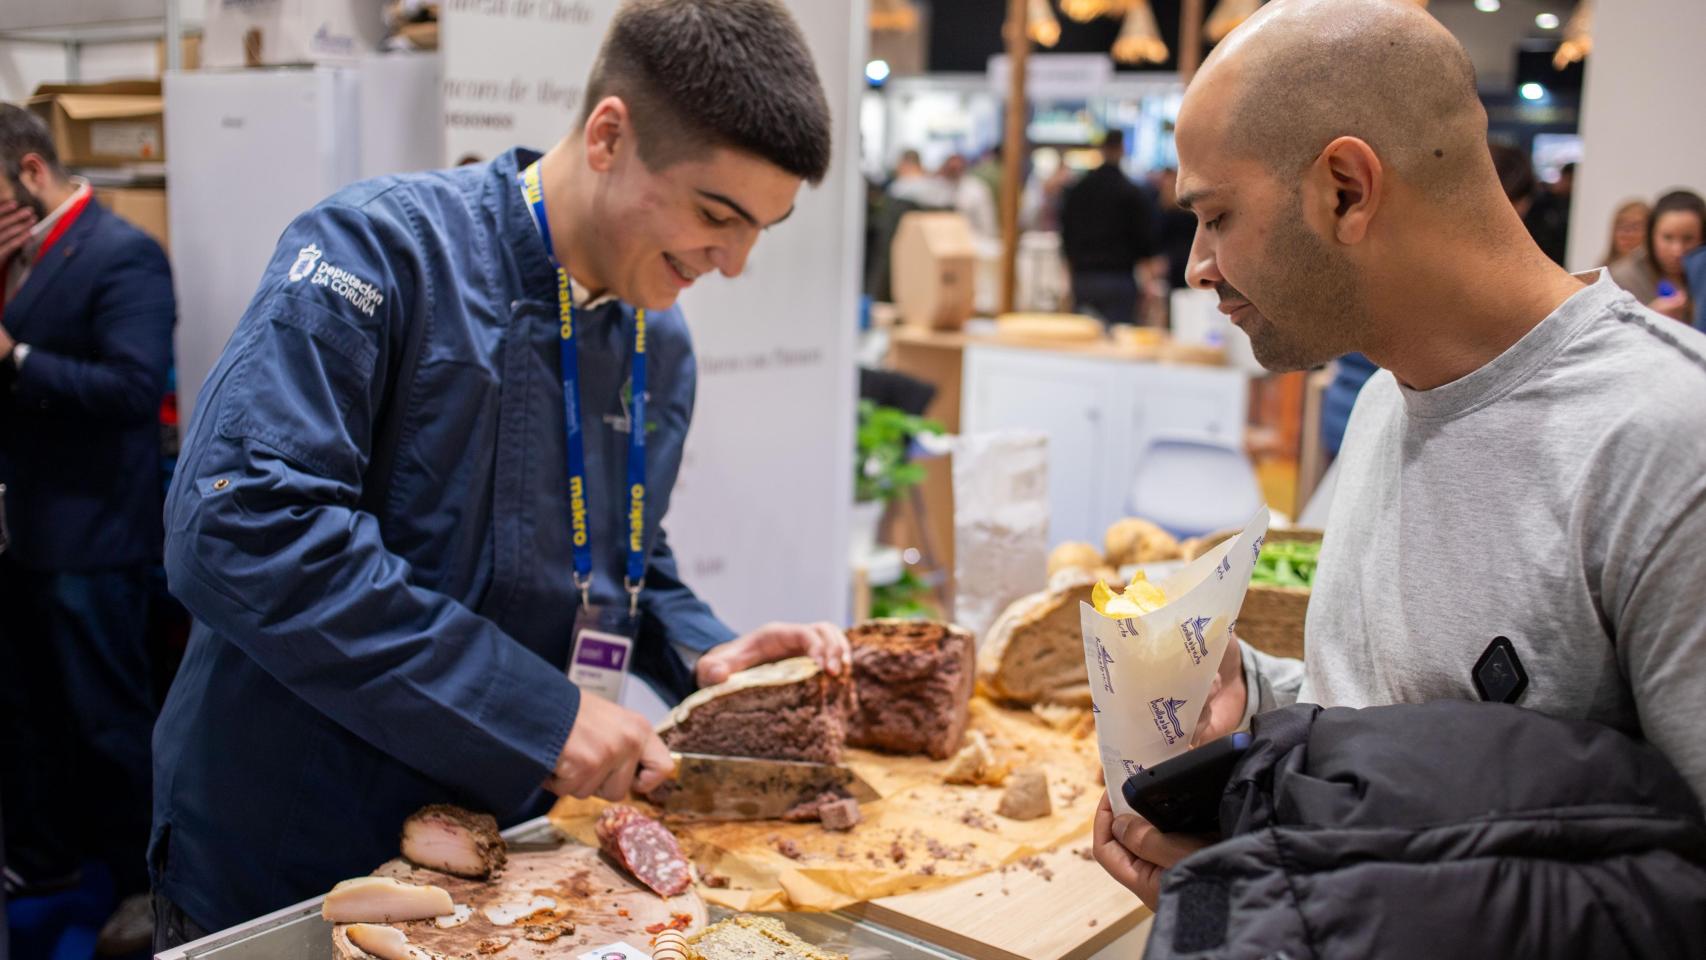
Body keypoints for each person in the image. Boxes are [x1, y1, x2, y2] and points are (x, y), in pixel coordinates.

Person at [150, 0, 846, 945]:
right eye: (716, 215)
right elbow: (241, 528)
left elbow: (621, 559)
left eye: (763, 227)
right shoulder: (377, 251)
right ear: (609, 136)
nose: (733, 262)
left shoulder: (660, 342)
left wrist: (701, 656)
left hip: (505, 862)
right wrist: (538, 713)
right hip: (291, 853)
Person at [1094, 0, 1706, 909]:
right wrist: (1250, 695)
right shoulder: (1387, 398)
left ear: (1346, 189)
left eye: (1216, 216)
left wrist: (1291, 913)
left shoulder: (1672, 446)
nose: (1197, 266)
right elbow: (1387, 724)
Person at [0, 104, 176, 953]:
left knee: (109, 721)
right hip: (26, 530)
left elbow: (134, 390)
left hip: (96, 536)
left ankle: (146, 885)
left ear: (31, 173)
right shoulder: (18, 257)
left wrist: (16, 358)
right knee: (35, 712)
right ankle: (48, 861)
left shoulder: (123, 253)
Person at [1060, 130, 1157, 325]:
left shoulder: (1079, 190)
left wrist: (1068, 279)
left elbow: (1067, 236)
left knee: (1084, 336)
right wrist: (1148, 282)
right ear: (1122, 149)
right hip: (1119, 279)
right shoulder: (1131, 192)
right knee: (1118, 336)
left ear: (1102, 149)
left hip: (1084, 277)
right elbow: (1144, 242)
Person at [1610, 189, 1704, 322]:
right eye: (1668, 237)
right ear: (1651, 235)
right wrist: (1647, 316)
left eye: (1688, 239)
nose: (1677, 251)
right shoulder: (1622, 278)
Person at [940, 153, 998, 240]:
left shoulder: (977, 189)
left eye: (955, 169)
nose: (953, 171)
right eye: (950, 169)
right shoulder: (942, 186)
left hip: (976, 238)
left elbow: (987, 222)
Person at [1600, 197, 1651, 267]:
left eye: (1636, 227)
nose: (1627, 235)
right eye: (1622, 226)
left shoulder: (1657, 271)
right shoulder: (1603, 268)